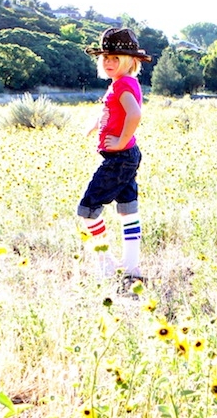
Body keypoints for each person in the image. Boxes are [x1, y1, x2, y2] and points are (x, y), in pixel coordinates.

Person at [77, 27, 151, 285]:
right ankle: (131, 266)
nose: (109, 62)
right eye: (105, 58)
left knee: (87, 210)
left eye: (115, 58)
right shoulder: (120, 84)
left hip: (120, 158)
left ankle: (106, 263)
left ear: (130, 61)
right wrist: (96, 124)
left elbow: (135, 114)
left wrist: (119, 141)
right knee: (128, 210)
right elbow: (115, 112)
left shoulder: (123, 86)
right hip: (126, 156)